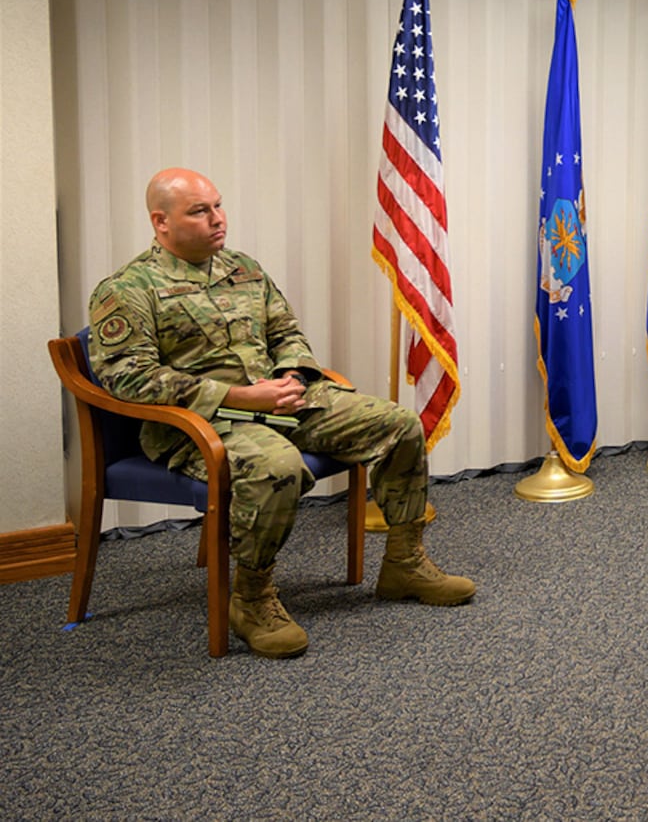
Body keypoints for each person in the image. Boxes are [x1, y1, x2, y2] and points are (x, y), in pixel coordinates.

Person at [88, 168, 476, 658]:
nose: (217, 219)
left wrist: (293, 376)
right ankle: (251, 598)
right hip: (201, 423)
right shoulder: (127, 288)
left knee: (396, 424)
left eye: (218, 205)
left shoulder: (244, 269)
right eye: (199, 211)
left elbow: (287, 333)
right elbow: (128, 377)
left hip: (280, 401)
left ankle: (405, 562)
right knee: (276, 467)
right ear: (160, 222)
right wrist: (240, 398)